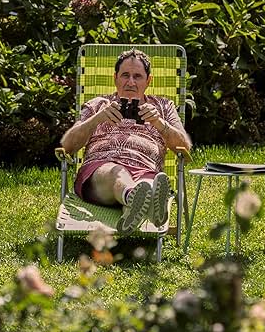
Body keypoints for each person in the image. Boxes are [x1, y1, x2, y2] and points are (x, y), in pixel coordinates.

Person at [61, 49, 192, 233]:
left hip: (145, 170)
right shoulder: (99, 104)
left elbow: (184, 149)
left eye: (137, 76)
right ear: (115, 78)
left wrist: (159, 123)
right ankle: (143, 202)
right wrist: (97, 119)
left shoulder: (163, 106)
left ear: (149, 81)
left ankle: (135, 205)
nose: (130, 82)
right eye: (125, 75)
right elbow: (67, 146)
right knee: (118, 173)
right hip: (102, 172)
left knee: (146, 185)